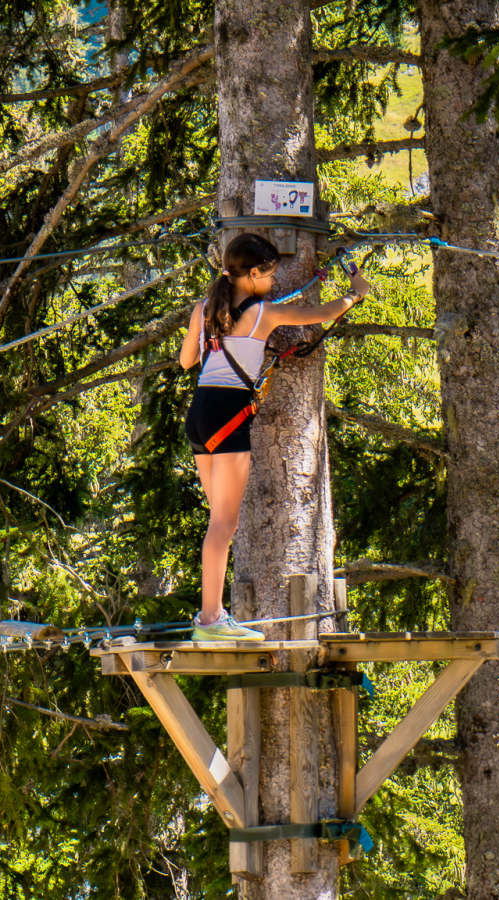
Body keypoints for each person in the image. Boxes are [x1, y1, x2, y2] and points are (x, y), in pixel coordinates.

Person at [177, 233, 371, 641]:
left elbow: (185, 361)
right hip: (228, 415)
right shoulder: (263, 313)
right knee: (223, 526)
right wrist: (356, 294)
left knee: (220, 523)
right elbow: (319, 314)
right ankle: (210, 620)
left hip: (200, 413)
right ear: (250, 275)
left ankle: (214, 617)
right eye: (269, 274)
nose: (273, 279)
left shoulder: (204, 308)